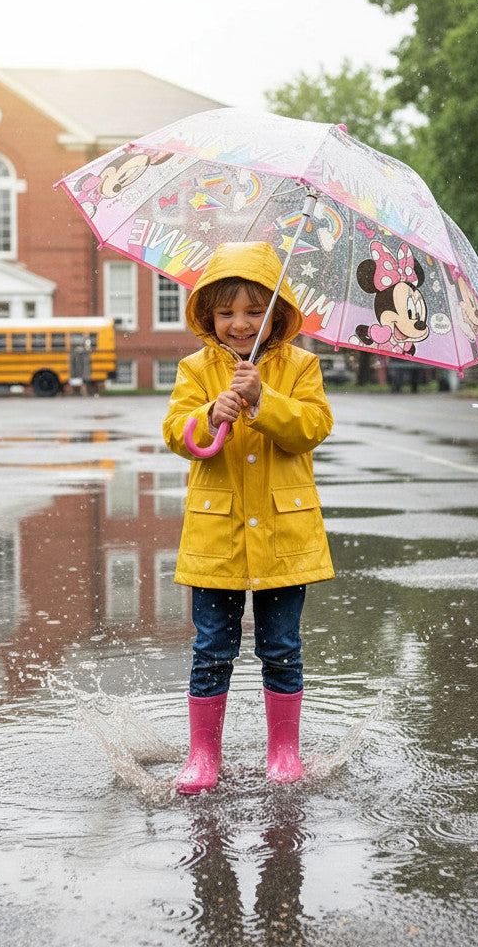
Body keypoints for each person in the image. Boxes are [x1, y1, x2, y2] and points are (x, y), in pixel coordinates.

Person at [163, 241, 334, 794]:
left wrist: (264, 403)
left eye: (255, 310)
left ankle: (284, 751)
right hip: (218, 535)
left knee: (282, 647)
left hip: (285, 534)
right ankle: (202, 756)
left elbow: (313, 427)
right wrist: (210, 412)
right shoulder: (195, 368)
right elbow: (175, 434)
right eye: (227, 312)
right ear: (208, 315)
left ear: (278, 312)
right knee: (212, 647)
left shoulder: (301, 365)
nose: (241, 324)